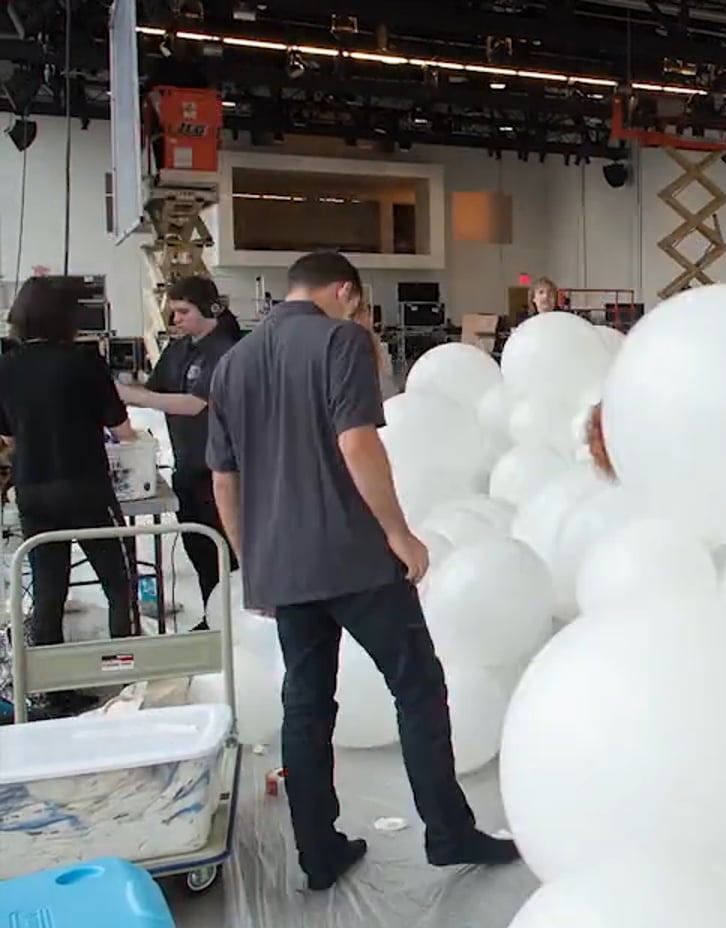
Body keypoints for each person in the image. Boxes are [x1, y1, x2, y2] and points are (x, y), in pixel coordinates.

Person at [206, 250, 517, 890]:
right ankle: (448, 831)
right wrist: (398, 532)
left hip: (282, 564)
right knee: (418, 687)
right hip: (351, 555)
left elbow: (223, 479)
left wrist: (251, 562)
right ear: (345, 291)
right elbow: (357, 441)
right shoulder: (341, 340)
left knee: (306, 703)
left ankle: (318, 850)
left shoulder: (233, 363)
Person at [0, 278, 138, 647]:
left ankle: (50, 675)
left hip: (32, 490)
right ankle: (124, 663)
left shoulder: (6, 367)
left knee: (48, 589)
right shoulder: (85, 361)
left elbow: (9, 437)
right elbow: (122, 429)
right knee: (117, 581)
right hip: (85, 487)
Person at [117, 276, 241, 625]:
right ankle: (212, 616)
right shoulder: (179, 349)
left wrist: (130, 395)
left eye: (184, 312)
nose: (176, 320)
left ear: (210, 309)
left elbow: (194, 403)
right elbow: (154, 390)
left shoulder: (226, 351)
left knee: (226, 551)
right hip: (187, 464)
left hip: (222, 469)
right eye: (173, 313)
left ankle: (233, 620)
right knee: (198, 548)